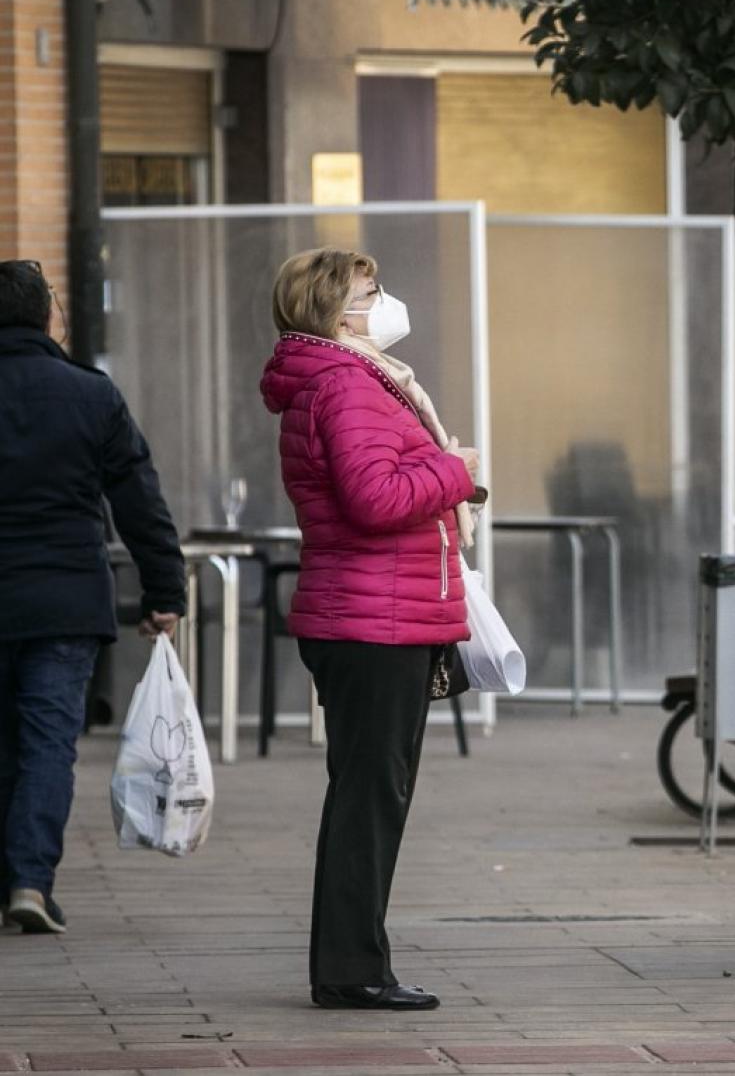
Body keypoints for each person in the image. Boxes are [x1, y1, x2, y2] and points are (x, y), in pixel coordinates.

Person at [260, 249, 481, 1012]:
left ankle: (355, 961)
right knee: (369, 795)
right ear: (335, 312)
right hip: (373, 617)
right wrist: (456, 470)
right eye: (371, 292)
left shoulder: (345, 381)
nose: (385, 303)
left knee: (368, 791)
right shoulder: (349, 386)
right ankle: (352, 969)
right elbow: (376, 500)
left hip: (371, 610)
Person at [0, 259, 185, 935]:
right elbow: (139, 500)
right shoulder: (90, 394)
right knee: (48, 740)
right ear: (48, 316)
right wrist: (164, 589)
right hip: (64, 599)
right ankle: (28, 881)